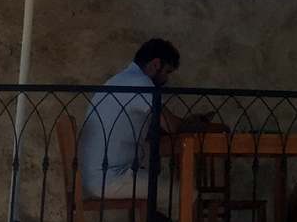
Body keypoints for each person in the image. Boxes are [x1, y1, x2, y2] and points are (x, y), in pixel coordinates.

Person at [77, 39, 208, 206]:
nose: (166, 79)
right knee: (188, 194)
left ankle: (160, 218)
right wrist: (195, 123)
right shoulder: (140, 82)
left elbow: (153, 130)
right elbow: (171, 126)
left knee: (161, 185)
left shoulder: (122, 79)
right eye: (167, 72)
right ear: (156, 64)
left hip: (97, 177)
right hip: (110, 179)